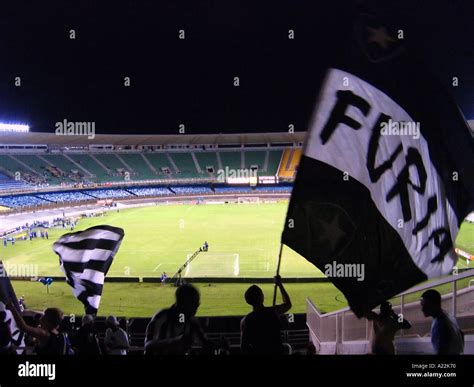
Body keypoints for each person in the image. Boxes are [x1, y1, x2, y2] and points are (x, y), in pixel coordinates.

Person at [145, 284, 211, 355]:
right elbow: (148, 345)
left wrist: (220, 344)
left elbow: (205, 343)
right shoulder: (161, 318)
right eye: (194, 302)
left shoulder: (191, 321)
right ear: (182, 304)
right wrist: (174, 342)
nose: (197, 305)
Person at [240, 275, 292, 355]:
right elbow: (288, 304)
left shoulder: (245, 321)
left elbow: (244, 348)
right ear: (262, 297)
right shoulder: (273, 312)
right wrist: (280, 285)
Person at [5, 301, 72, 355]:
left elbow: (23, 327)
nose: (41, 318)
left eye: (44, 316)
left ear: (48, 321)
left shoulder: (44, 333)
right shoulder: (55, 331)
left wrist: (12, 308)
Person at [421, 289, 464, 355]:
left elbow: (442, 350)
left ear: (434, 304)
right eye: (422, 305)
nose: (422, 309)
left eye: (425, 305)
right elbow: (461, 333)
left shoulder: (440, 324)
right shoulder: (447, 315)